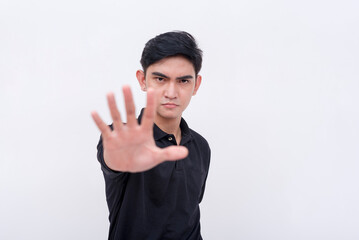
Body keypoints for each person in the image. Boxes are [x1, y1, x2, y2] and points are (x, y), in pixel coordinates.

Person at [91, 31, 211, 240]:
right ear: (143, 80)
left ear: (196, 85)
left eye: (183, 81)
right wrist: (117, 158)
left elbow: (190, 215)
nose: (171, 92)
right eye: (160, 79)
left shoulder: (201, 146)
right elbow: (112, 157)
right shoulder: (121, 138)